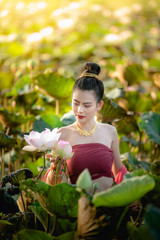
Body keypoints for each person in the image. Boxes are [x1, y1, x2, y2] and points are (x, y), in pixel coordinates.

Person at [45, 62, 127, 192]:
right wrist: (55, 168)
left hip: (111, 203)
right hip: (79, 206)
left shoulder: (110, 131)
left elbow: (119, 172)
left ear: (99, 105)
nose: (79, 110)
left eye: (87, 105)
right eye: (76, 103)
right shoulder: (63, 134)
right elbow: (53, 186)